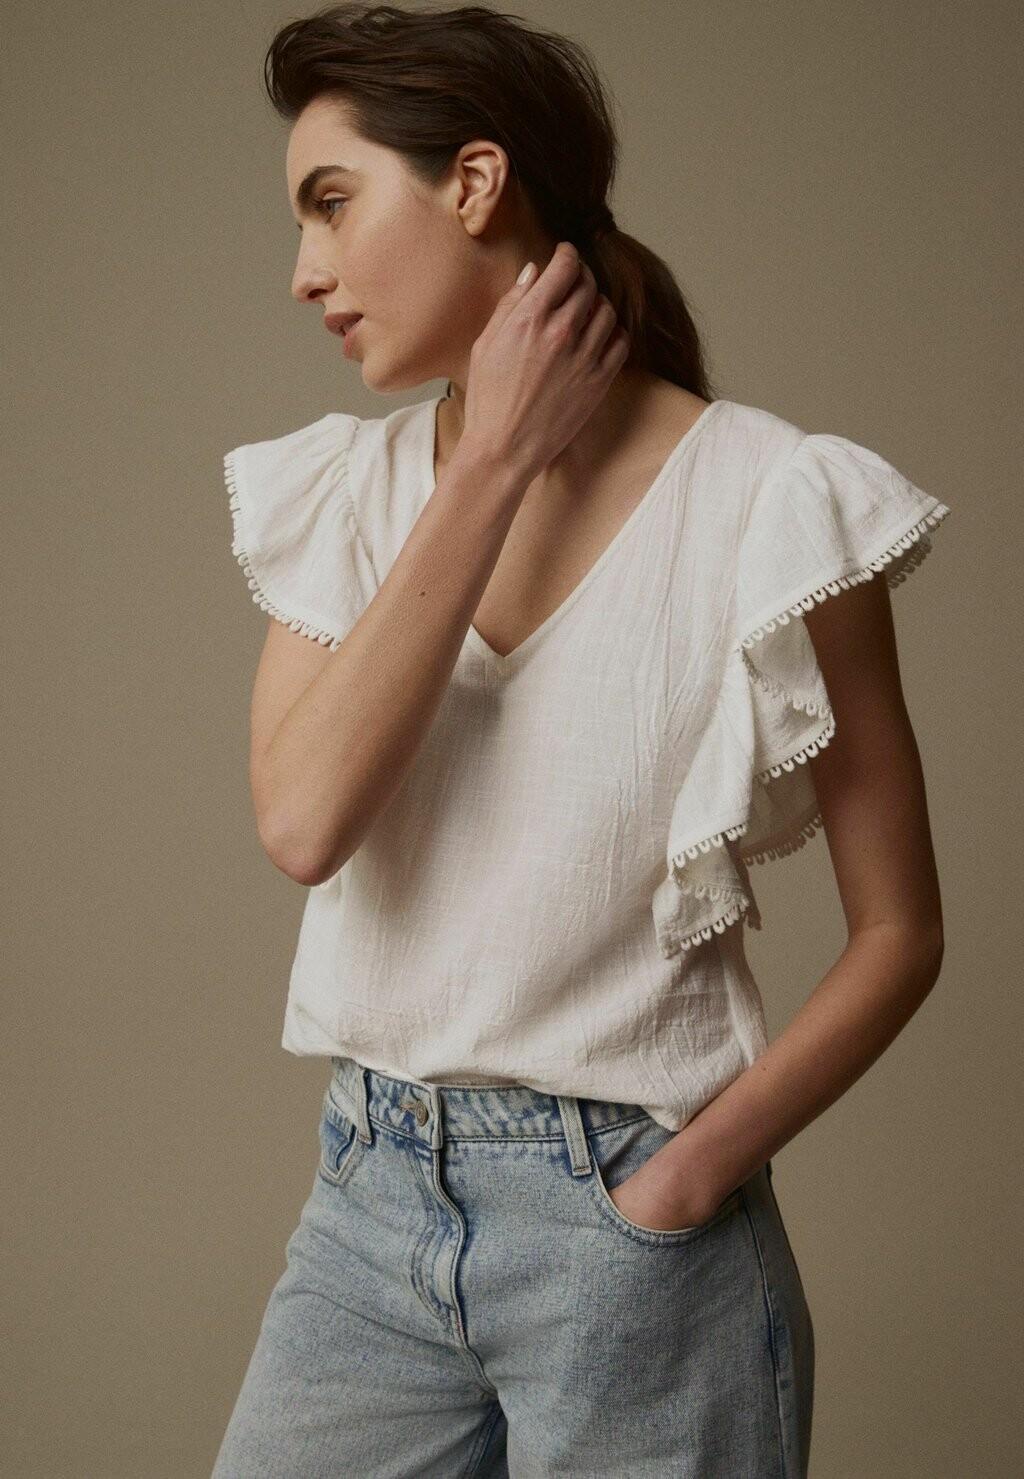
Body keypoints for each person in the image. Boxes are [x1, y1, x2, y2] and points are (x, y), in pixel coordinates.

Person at [212, 6, 950, 1476]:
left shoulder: (776, 506)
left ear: (475, 184)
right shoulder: (340, 497)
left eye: (333, 203)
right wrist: (489, 461)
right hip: (369, 1205)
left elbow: (901, 934)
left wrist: (682, 1184)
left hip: (634, 1229)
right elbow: (303, 825)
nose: (305, 271)